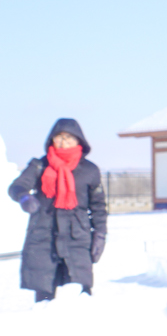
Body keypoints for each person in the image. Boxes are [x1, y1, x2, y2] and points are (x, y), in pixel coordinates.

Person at [8, 118, 110, 302]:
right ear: (51, 140)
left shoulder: (89, 170)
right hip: (43, 236)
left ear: (79, 140)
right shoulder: (39, 165)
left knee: (80, 295)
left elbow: (98, 207)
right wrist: (24, 197)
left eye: (69, 138)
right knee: (44, 295)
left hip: (77, 237)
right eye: (59, 137)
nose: (63, 142)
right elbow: (17, 186)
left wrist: (100, 234)